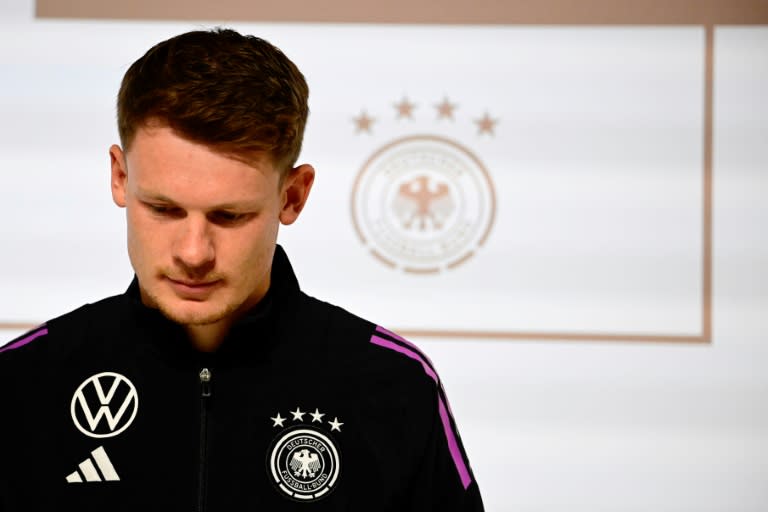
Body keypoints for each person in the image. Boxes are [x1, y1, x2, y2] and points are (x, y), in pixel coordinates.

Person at [0, 28, 483, 511]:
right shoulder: (24, 382)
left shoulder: (391, 385)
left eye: (229, 216)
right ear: (120, 177)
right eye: (164, 209)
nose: (193, 252)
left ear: (292, 196)